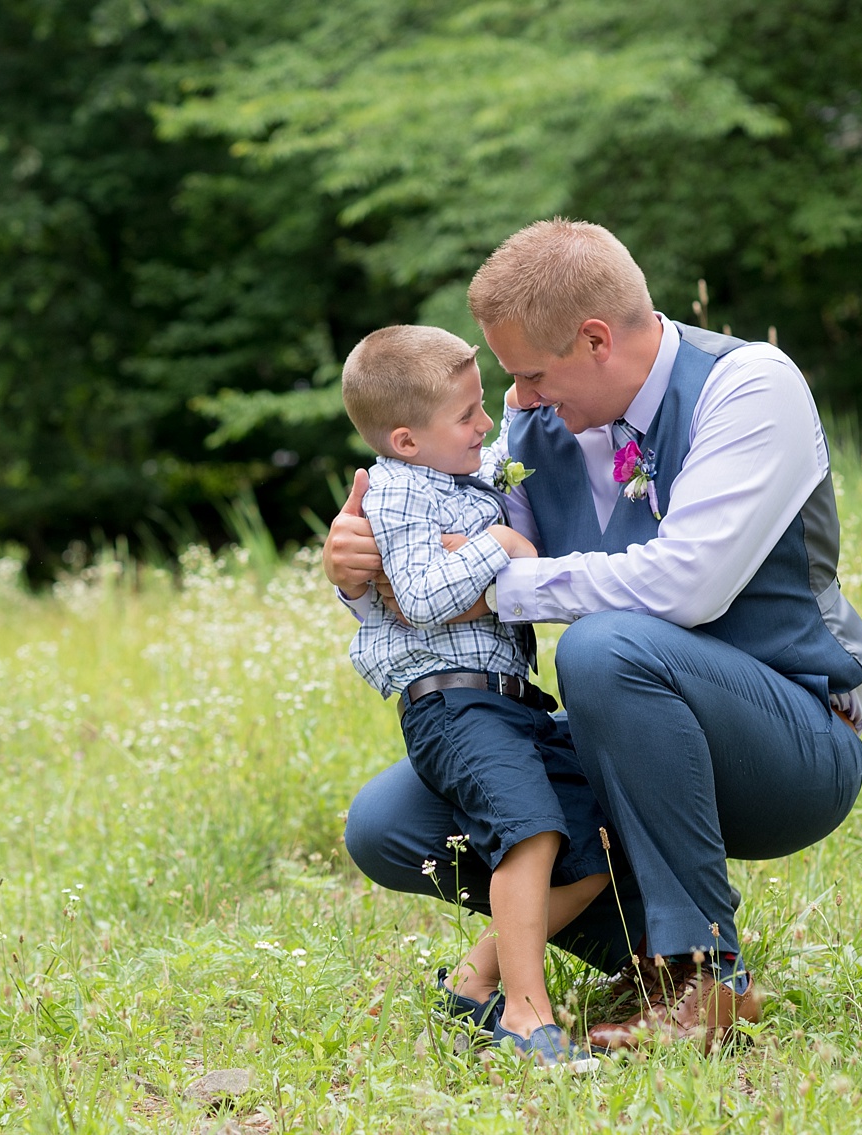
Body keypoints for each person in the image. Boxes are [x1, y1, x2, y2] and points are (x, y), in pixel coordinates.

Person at [326, 220, 862, 1052]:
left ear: (594, 339)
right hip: (624, 730)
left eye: (530, 375)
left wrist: (493, 579)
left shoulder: (747, 385)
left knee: (601, 647)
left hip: (790, 738)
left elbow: (683, 585)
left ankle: (704, 969)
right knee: (392, 821)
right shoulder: (532, 430)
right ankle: (646, 957)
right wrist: (362, 570)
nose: (517, 398)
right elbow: (446, 559)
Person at [339, 325, 611, 1070]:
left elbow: (508, 462)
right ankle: (528, 1019)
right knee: (528, 833)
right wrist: (504, 546)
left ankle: (476, 982)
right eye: (467, 414)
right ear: (406, 438)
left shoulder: (457, 474)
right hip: (453, 704)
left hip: (511, 699)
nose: (485, 424)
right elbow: (422, 595)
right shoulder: (394, 491)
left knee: (593, 848)